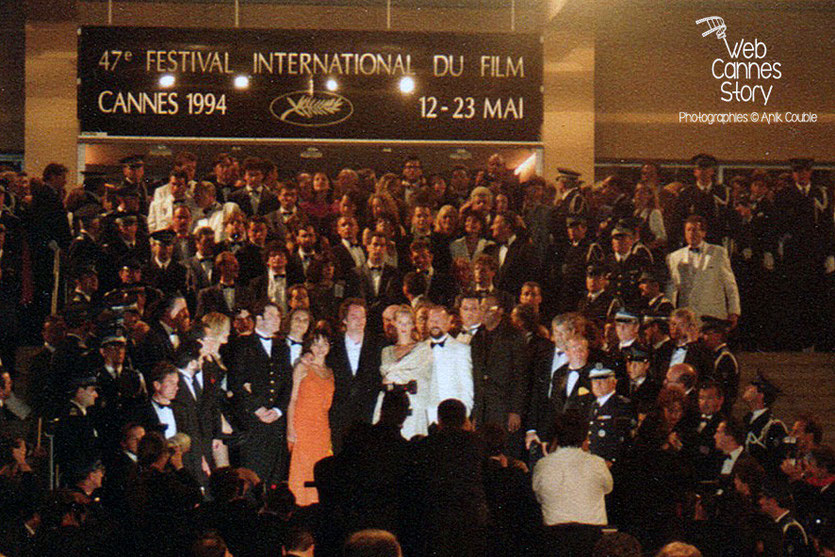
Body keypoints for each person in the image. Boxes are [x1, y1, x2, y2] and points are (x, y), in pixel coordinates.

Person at [533, 409, 612, 556]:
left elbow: (539, 496)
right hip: (591, 535)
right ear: (584, 436)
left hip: (554, 536)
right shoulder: (597, 463)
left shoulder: (543, 465)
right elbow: (608, 488)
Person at [230, 301, 292, 485]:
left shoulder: (282, 347)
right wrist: (256, 408)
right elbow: (236, 382)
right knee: (253, 473)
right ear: (259, 319)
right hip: (253, 421)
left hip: (276, 422)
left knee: (275, 473)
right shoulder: (243, 345)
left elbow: (287, 383)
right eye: (272, 316)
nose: (277, 320)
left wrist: (279, 410)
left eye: (279, 317)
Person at [287, 329, 335, 506]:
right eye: (316, 344)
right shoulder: (303, 366)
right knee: (302, 470)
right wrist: (290, 429)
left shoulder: (331, 371)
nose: (320, 348)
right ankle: (300, 508)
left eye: (324, 343)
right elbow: (292, 399)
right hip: (303, 425)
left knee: (319, 468)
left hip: (322, 427)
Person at [666, 215, 741, 326]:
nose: (692, 233)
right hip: (688, 317)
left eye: (695, 230)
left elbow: (730, 284)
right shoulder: (674, 257)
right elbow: (672, 288)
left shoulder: (718, 253)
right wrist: (670, 314)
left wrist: (734, 311)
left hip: (713, 315)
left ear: (703, 233)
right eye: (688, 230)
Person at [373, 306, 432, 439]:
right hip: (388, 404)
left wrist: (392, 377)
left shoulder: (423, 349)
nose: (404, 327)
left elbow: (420, 376)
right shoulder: (386, 351)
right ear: (394, 324)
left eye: (408, 322)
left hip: (412, 403)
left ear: (413, 324)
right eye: (400, 323)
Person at [425, 305, 473, 424]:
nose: (435, 324)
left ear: (448, 323)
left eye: (439, 320)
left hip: (452, 418)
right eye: (432, 320)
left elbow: (467, 387)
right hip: (425, 418)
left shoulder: (462, 350)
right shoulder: (419, 349)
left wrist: (463, 416)